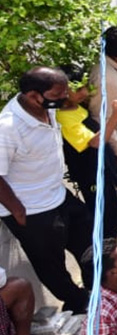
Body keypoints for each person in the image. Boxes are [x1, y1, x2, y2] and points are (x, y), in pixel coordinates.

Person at [0, 67, 93, 313]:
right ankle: (78, 302)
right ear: (33, 96)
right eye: (58, 94)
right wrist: (18, 210)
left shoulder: (47, 108)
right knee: (52, 267)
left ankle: (97, 291)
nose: (64, 98)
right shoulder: (7, 127)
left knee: (91, 244)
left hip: (58, 196)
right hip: (32, 210)